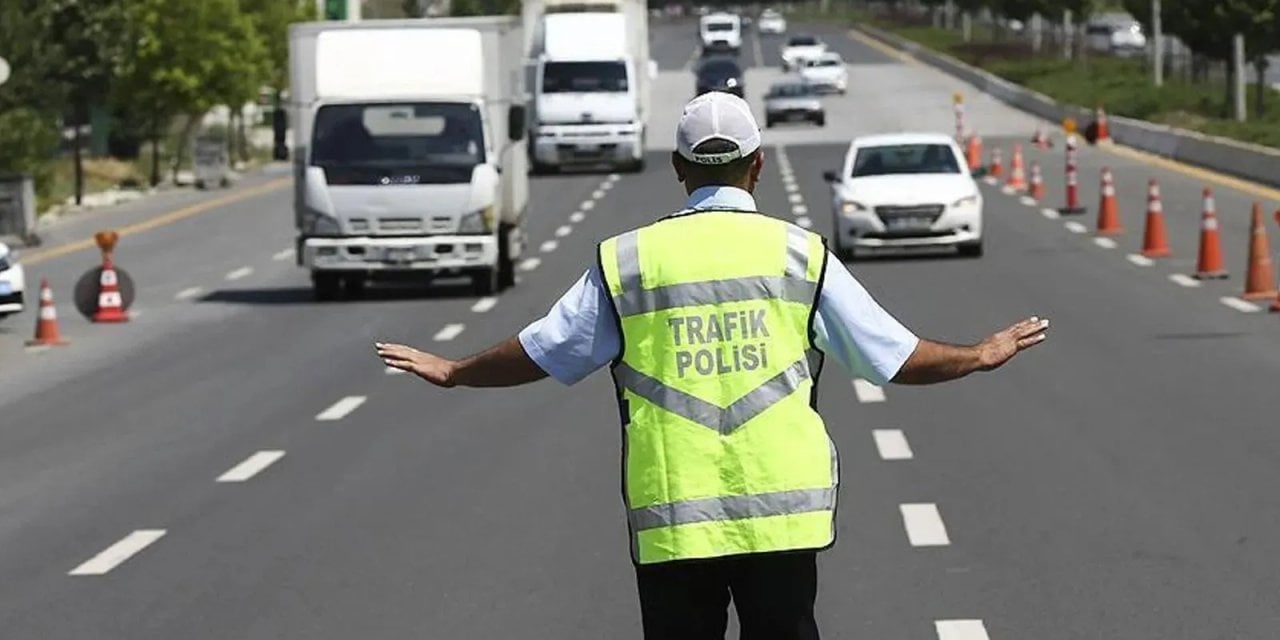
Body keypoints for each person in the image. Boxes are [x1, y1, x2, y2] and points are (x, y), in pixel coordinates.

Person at [376, 92, 1049, 639]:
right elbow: (893, 356)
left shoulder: (630, 261)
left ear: (677, 167)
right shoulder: (798, 255)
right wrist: (980, 355)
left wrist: (456, 369)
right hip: (782, 519)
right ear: (756, 166)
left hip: (674, 519)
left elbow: (544, 350)